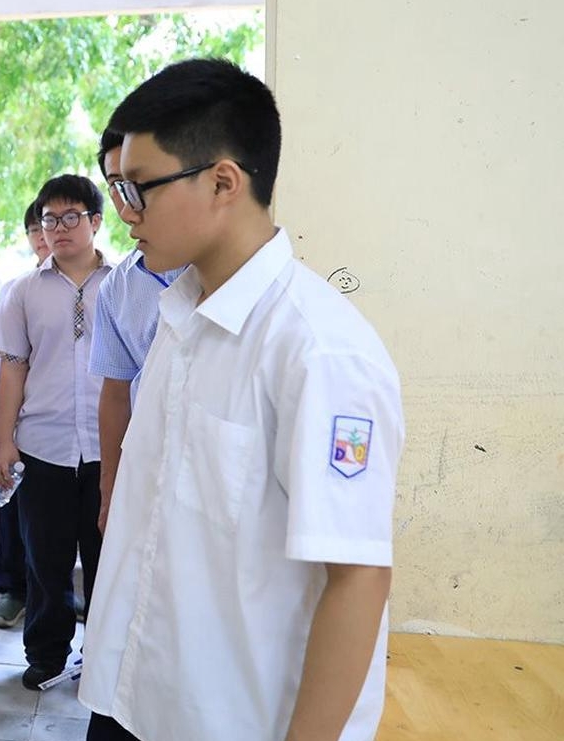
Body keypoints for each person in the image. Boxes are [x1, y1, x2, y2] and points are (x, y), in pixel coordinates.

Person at [78, 59, 402, 741]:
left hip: (231, 720)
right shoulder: (178, 316)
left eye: (138, 188)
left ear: (223, 181)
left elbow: (357, 578)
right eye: (116, 189)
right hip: (133, 695)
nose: (124, 213)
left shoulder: (318, 352)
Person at [0, 174, 113, 690]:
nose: (58, 228)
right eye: (49, 219)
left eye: (70, 217)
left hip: (110, 449)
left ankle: (103, 654)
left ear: (95, 221)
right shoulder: (23, 291)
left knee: (106, 559)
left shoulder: (124, 283)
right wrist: (5, 441)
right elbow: (12, 369)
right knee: (45, 560)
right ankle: (46, 653)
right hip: (43, 446)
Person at [90, 129, 186, 534]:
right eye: (117, 185)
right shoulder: (118, 287)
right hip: (146, 469)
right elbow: (115, 393)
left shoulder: (219, 271)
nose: (129, 204)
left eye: (140, 181)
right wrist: (110, 489)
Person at [0, 200, 50, 629]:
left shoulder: (101, 283)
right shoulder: (17, 288)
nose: (43, 236)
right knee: (11, 502)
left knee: (55, 519)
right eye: (35, 229)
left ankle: (56, 593)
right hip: (14, 419)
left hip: (59, 425)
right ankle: (13, 590)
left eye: (48, 225)